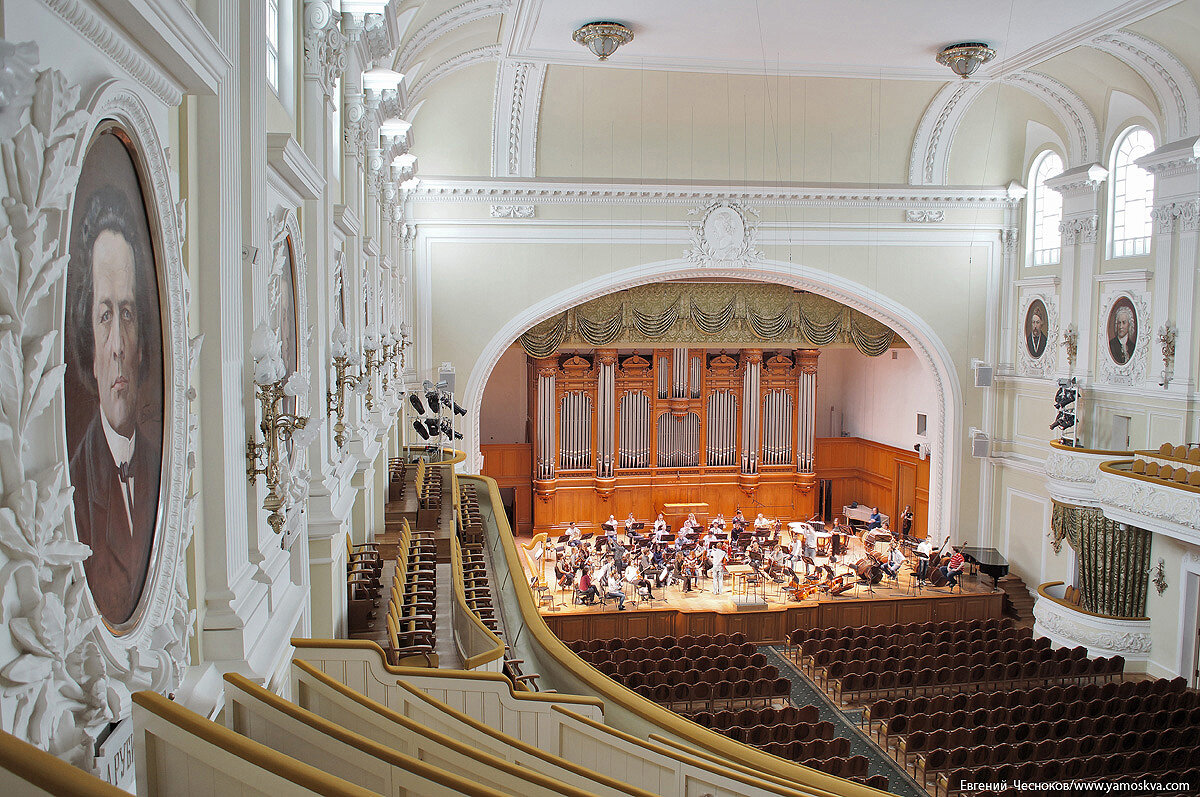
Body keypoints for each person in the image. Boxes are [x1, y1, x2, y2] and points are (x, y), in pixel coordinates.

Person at [69, 188, 162, 626]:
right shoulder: (73, 488)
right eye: (105, 315)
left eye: (127, 313)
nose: (118, 348)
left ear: (143, 341)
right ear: (89, 344)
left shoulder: (160, 463)